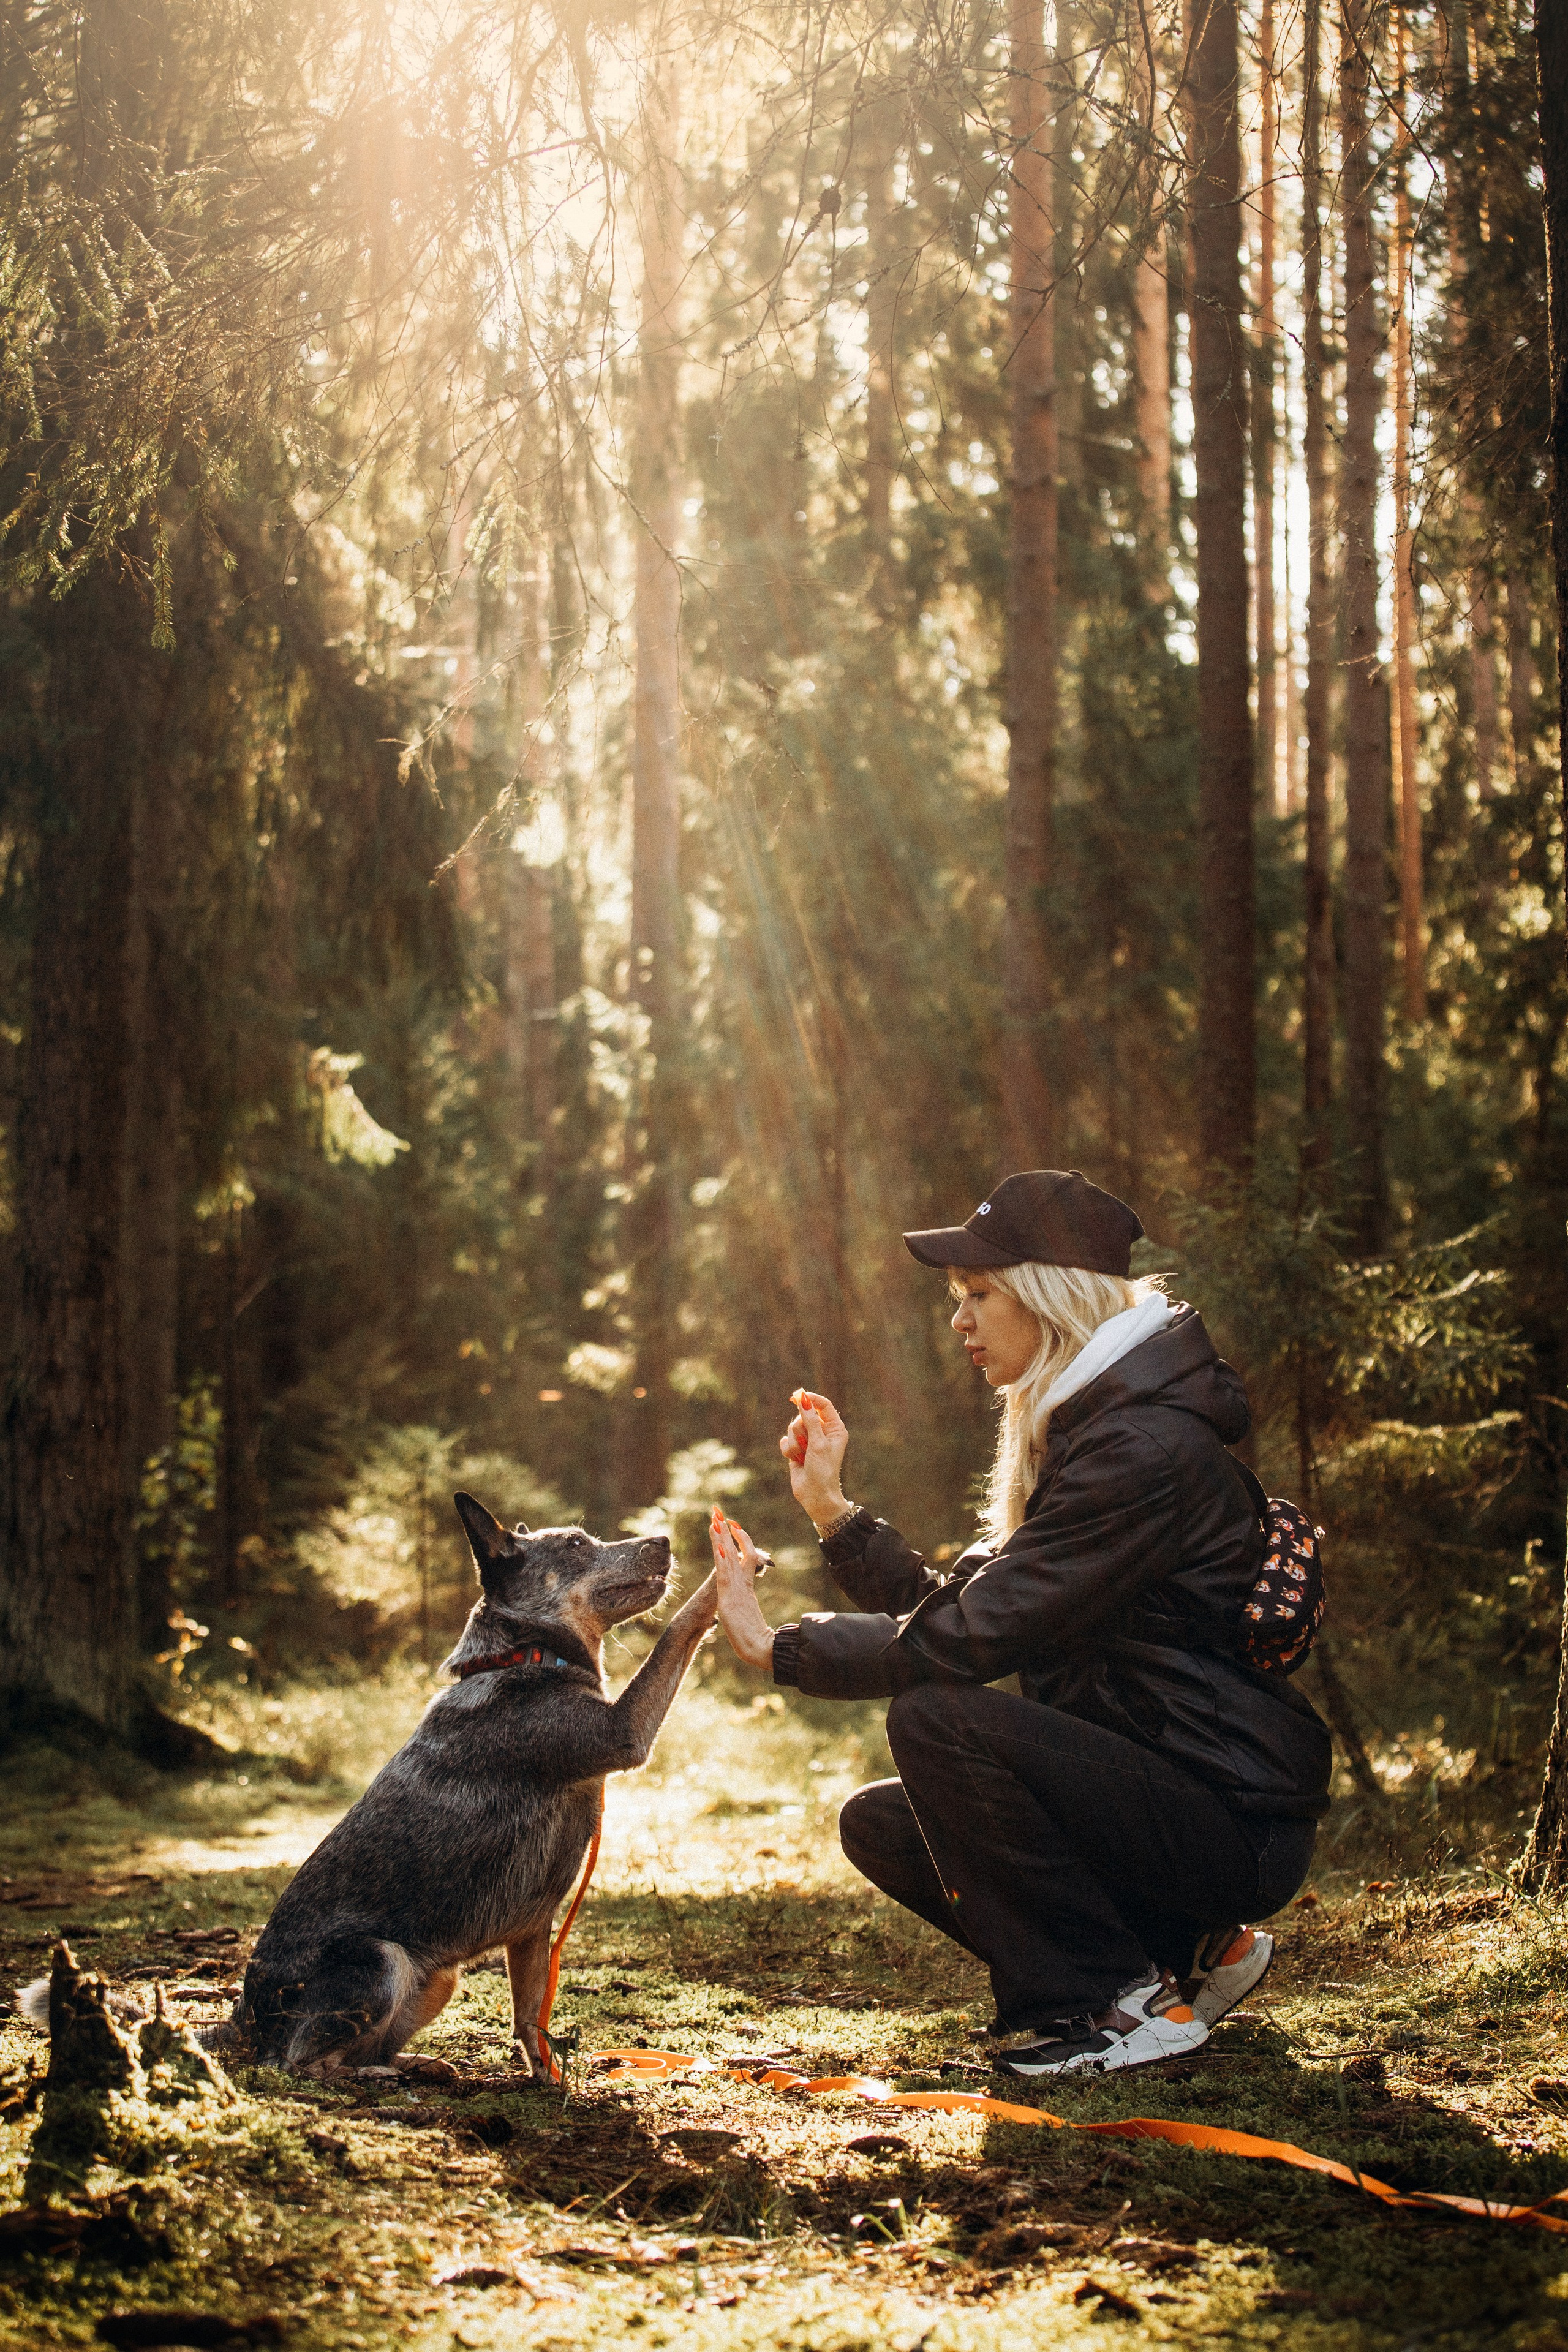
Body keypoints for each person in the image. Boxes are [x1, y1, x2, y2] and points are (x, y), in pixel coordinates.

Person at [707, 1169, 1332, 2079]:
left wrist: (782, 1650)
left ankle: (1115, 2005)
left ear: (1051, 1298)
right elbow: (967, 1606)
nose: (959, 1321)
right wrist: (833, 1511)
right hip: (1169, 1793)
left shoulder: (1142, 1451)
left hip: (1233, 1819)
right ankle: (1180, 1957)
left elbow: (969, 1640)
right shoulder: (1098, 1433)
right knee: (883, 1825)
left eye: (979, 1296)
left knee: (935, 1719)